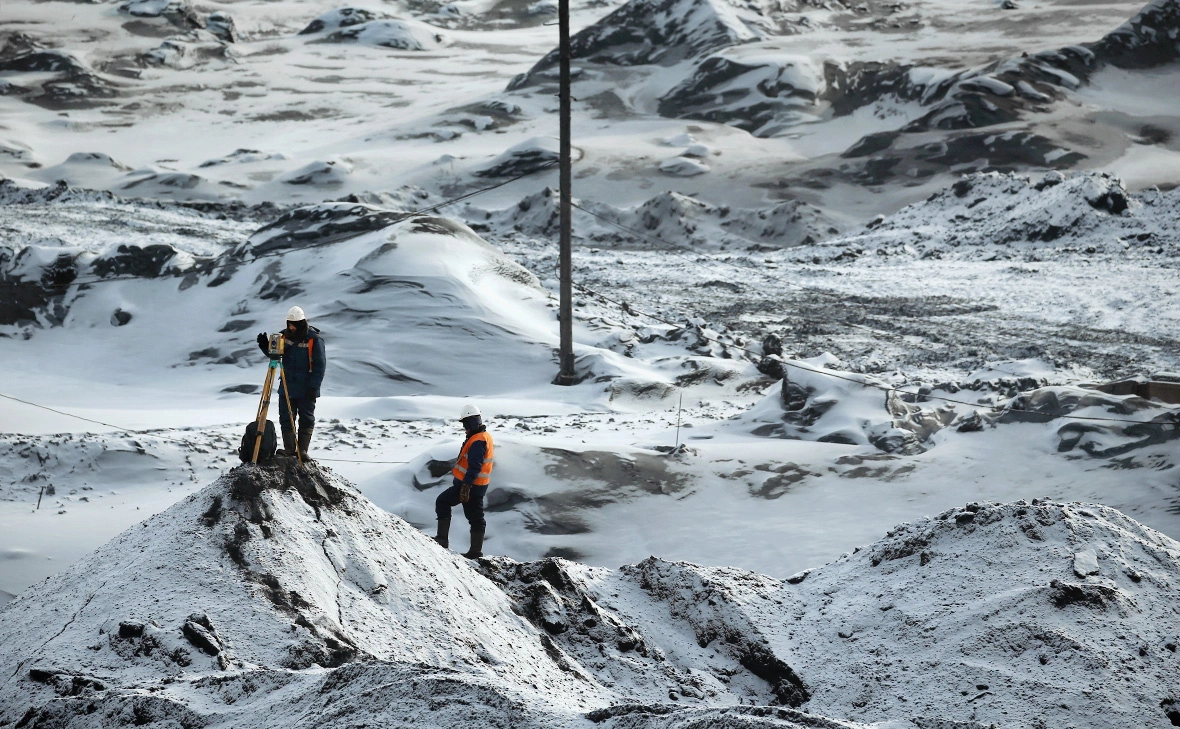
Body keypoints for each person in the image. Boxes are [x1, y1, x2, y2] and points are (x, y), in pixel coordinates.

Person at [256, 306, 326, 460]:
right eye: (289, 324)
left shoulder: (314, 340)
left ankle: (302, 451)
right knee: (286, 418)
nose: (291, 327)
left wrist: (314, 387)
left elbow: (320, 366)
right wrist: (264, 345)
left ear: (302, 323)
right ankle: (289, 450)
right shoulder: (283, 336)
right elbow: (275, 355)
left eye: (294, 324)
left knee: (306, 418)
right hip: (287, 386)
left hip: (307, 388)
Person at [435, 403, 494, 559]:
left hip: (470, 486)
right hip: (476, 486)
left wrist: (466, 486)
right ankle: (474, 551)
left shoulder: (478, 441)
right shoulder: (481, 436)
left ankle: (443, 540)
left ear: (471, 423)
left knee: (443, 502)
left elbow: (475, 466)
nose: (464, 428)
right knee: (475, 517)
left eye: (465, 424)